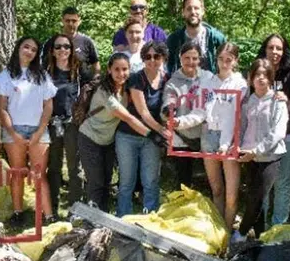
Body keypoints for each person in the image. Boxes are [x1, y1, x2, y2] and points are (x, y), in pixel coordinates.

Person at [77, 52, 159, 211]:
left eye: (125, 69)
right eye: (117, 69)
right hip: (90, 138)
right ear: (109, 70)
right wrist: (152, 135)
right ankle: (92, 217)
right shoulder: (104, 91)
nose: (121, 74)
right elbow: (128, 118)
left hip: (108, 141)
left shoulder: (127, 87)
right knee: (96, 181)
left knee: (106, 181)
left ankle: (103, 215)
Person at [0, 36, 56, 224]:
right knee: (17, 173)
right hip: (14, 130)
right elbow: (1, 108)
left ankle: (48, 216)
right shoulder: (6, 75)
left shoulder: (42, 76)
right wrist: (13, 133)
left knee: (39, 174)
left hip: (38, 130)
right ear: (18, 48)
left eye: (33, 49)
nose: (29, 51)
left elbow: (48, 105)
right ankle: (18, 213)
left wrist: (40, 131)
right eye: (26, 47)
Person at [115, 41, 171, 216]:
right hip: (128, 136)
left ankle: (150, 217)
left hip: (152, 138)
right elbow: (144, 112)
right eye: (148, 56)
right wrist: (162, 131)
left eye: (157, 56)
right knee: (127, 181)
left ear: (164, 58)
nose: (152, 60)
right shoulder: (136, 79)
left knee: (151, 180)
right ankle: (122, 217)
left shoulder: (168, 79)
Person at [236, 58, 287, 243]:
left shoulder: (277, 101)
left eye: (265, 75)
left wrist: (257, 151)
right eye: (257, 74)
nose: (261, 78)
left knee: (257, 198)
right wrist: (239, 147)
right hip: (249, 156)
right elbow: (242, 127)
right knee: (253, 197)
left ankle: (241, 233)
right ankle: (260, 237)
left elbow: (278, 132)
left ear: (271, 79)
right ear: (251, 78)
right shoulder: (248, 101)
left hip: (270, 157)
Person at [45, 34, 94, 215]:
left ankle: (75, 210)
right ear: (52, 51)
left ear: (72, 50)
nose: (62, 50)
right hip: (52, 124)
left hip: (73, 124)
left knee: (75, 168)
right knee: (54, 167)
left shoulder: (79, 71)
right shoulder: (46, 72)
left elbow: (92, 88)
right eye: (58, 47)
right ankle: (52, 209)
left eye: (66, 46)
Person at [201, 44, 248, 225]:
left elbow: (232, 116)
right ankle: (217, 229)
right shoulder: (209, 82)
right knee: (217, 189)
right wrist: (180, 122)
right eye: (221, 59)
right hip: (209, 135)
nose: (224, 63)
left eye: (229, 59)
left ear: (235, 61)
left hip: (230, 137)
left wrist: (226, 143)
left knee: (231, 195)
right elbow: (201, 112)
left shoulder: (240, 84)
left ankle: (227, 232)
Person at [260, 33, 290, 226]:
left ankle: (278, 227)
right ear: (265, 49)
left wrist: (287, 101)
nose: (275, 52)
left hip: (288, 137)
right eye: (271, 47)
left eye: (279, 48)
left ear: (284, 52)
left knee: (282, 184)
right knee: (262, 185)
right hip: (261, 138)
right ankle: (260, 228)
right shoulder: (257, 72)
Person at [164, 40, 214, 189]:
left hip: (206, 137)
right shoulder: (172, 82)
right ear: (180, 58)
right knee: (183, 183)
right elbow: (168, 101)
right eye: (187, 58)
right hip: (182, 138)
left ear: (200, 59)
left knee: (210, 182)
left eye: (194, 58)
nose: (190, 62)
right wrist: (168, 109)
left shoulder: (209, 78)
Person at [166, 0, 226, 74]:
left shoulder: (216, 38)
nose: (193, 12)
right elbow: (169, 68)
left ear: (202, 11)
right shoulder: (174, 39)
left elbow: (227, 66)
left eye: (196, 8)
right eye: (189, 9)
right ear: (183, 12)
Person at [41, 7, 100, 74]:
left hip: (83, 80)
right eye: (67, 21)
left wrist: (96, 77)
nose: (70, 24)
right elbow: (43, 65)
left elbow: (96, 64)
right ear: (62, 21)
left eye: (74, 21)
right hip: (56, 80)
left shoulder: (87, 41)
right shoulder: (51, 42)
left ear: (79, 22)